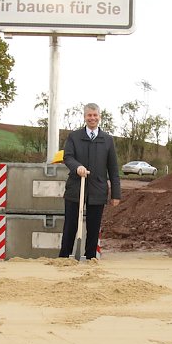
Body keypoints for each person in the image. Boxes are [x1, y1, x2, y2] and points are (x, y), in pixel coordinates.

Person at [59, 103, 121, 260]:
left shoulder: (107, 140)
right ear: (85, 117)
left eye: (95, 115)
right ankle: (64, 257)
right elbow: (68, 157)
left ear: (99, 117)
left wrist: (116, 194)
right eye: (89, 115)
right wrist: (77, 167)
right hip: (75, 188)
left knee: (94, 226)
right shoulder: (74, 137)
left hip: (97, 189)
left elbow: (113, 169)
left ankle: (91, 257)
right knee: (70, 225)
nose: (92, 118)